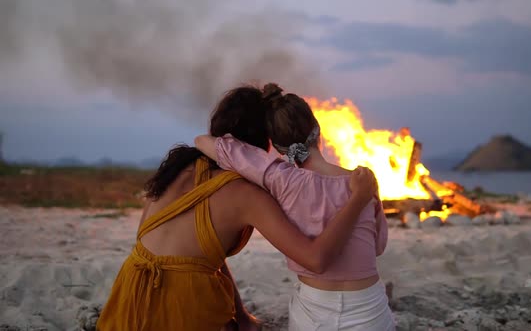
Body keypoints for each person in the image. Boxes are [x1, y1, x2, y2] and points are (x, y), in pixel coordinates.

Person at [95, 85, 377, 331]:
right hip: (177, 307)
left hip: (127, 297)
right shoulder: (246, 194)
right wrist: (359, 198)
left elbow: (199, 253)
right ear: (261, 144)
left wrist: (240, 315)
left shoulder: (177, 168)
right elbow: (314, 259)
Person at [195, 83, 395, 330]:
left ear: (276, 146)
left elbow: (204, 141)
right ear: (317, 128)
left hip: (314, 309)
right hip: (368, 308)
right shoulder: (363, 183)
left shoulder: (279, 178)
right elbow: (377, 246)